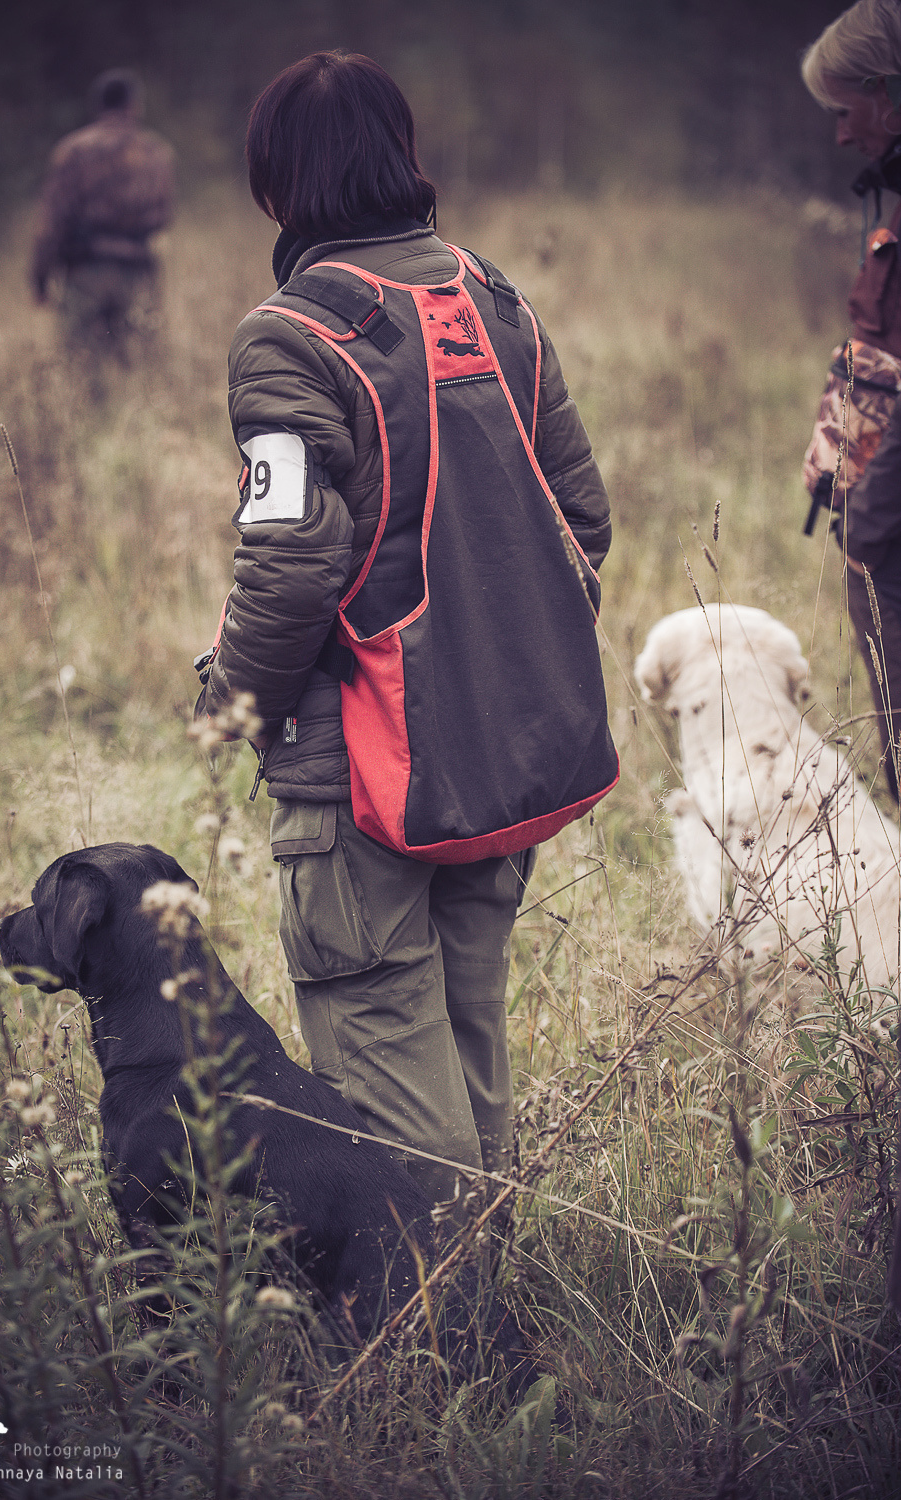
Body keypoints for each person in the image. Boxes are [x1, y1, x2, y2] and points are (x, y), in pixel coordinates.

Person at [200, 52, 615, 1227]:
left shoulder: (283, 339)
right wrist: (497, 657)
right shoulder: (496, 299)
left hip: (358, 772)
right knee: (469, 1033)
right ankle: (494, 1316)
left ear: (276, 183)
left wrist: (231, 708)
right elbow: (579, 521)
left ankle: (443, 1344)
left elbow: (288, 566)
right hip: (502, 755)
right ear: (400, 155)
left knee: (385, 1052)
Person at [802, 0, 901, 800]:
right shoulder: (890, 203)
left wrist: (866, 518)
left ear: (890, 90)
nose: (839, 135)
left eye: (845, 110)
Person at [31, 69, 177, 363]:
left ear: (98, 105)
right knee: (139, 365)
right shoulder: (156, 151)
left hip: (86, 271)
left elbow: (53, 220)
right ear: (133, 105)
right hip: (139, 270)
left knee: (80, 365)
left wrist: (41, 277)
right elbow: (164, 217)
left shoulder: (74, 150)